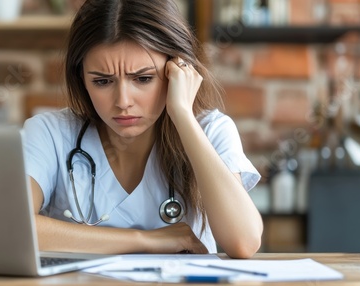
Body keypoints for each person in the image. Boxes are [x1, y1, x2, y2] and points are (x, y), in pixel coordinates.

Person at [21, 0, 263, 258]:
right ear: (81, 78)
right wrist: (145, 240)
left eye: (143, 78)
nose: (123, 101)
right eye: (102, 81)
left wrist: (182, 115)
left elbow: (243, 242)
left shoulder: (211, 130)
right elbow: (12, 227)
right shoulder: (49, 134)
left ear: (178, 71)